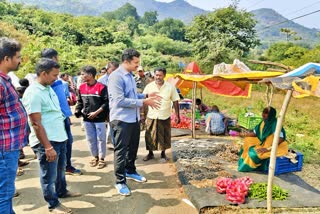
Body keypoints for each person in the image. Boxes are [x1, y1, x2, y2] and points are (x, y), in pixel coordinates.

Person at [22, 58, 80, 214]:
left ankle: (62, 191)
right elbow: (35, 123)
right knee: (49, 175)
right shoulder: (33, 93)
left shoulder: (48, 88)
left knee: (60, 170)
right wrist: (47, 147)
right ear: (43, 73)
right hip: (47, 142)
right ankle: (53, 203)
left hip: (59, 138)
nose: (56, 78)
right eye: (54, 75)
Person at [108, 48, 161, 196]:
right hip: (121, 119)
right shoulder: (116, 77)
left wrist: (145, 94)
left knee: (133, 148)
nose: (138, 66)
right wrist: (144, 101)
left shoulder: (130, 76)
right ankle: (120, 181)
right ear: (126, 61)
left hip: (133, 119)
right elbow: (120, 101)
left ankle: (130, 170)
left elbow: (131, 95)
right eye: (136, 63)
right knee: (121, 151)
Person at [41, 48, 82, 176]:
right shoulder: (46, 79)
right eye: (56, 58)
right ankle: (64, 168)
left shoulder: (56, 78)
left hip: (63, 116)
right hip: (57, 118)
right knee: (62, 144)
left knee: (67, 143)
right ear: (52, 58)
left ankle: (66, 167)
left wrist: (67, 114)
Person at [0, 37, 28, 214]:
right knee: (4, 194)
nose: (19, 60)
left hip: (9, 147)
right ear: (6, 59)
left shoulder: (5, 79)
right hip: (4, 148)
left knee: (6, 193)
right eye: (17, 57)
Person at [143, 67, 180, 162]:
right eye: (156, 75)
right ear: (154, 75)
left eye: (160, 75)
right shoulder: (149, 87)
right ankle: (150, 153)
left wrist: (177, 115)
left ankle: (163, 154)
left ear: (164, 75)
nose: (158, 77)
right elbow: (144, 101)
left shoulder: (170, 87)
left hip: (165, 115)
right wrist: (144, 115)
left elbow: (175, 101)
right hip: (152, 115)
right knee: (149, 135)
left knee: (165, 135)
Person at [75, 65, 109, 169]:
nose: (81, 76)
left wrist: (96, 112)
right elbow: (80, 101)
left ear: (90, 75)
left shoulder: (102, 87)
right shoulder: (81, 87)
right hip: (87, 119)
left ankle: (102, 158)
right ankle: (95, 157)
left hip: (99, 119)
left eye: (83, 74)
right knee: (90, 139)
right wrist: (77, 110)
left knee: (101, 139)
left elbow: (106, 103)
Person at [238, 106, 289, 172]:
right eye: (263, 112)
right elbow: (255, 133)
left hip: (276, 147)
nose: (263, 114)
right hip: (265, 143)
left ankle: (253, 166)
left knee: (253, 154)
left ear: (271, 115)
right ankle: (243, 159)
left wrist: (268, 149)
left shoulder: (275, 124)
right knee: (248, 140)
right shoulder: (263, 122)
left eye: (266, 113)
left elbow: (281, 138)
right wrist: (242, 134)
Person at [98, 61, 119, 149]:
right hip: (105, 107)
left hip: (116, 107)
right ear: (107, 70)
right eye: (113, 70)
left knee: (115, 126)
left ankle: (115, 144)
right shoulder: (101, 80)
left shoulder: (119, 79)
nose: (115, 72)